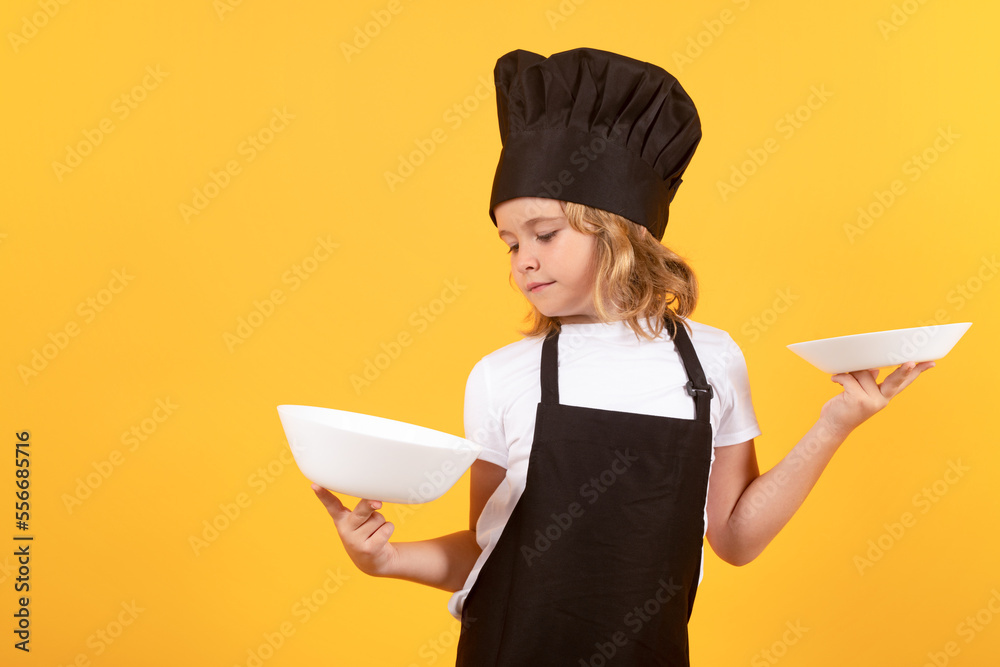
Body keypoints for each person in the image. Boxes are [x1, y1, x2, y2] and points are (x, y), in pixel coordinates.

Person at [310, 47, 934, 665]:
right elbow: (487, 552)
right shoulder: (502, 375)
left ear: (619, 232)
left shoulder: (710, 363)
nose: (522, 259)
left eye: (545, 234)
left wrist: (836, 424)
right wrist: (386, 559)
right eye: (509, 242)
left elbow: (737, 540)